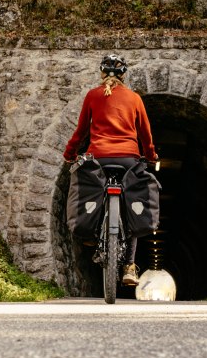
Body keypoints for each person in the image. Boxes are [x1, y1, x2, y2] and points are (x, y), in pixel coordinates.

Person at [63, 54, 159, 286]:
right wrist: (151, 155)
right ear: (124, 75)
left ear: (101, 73)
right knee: (131, 205)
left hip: (99, 157)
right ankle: (129, 265)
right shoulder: (135, 98)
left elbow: (81, 131)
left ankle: (93, 232)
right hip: (129, 158)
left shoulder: (93, 96)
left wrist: (70, 154)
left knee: (93, 189)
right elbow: (145, 134)